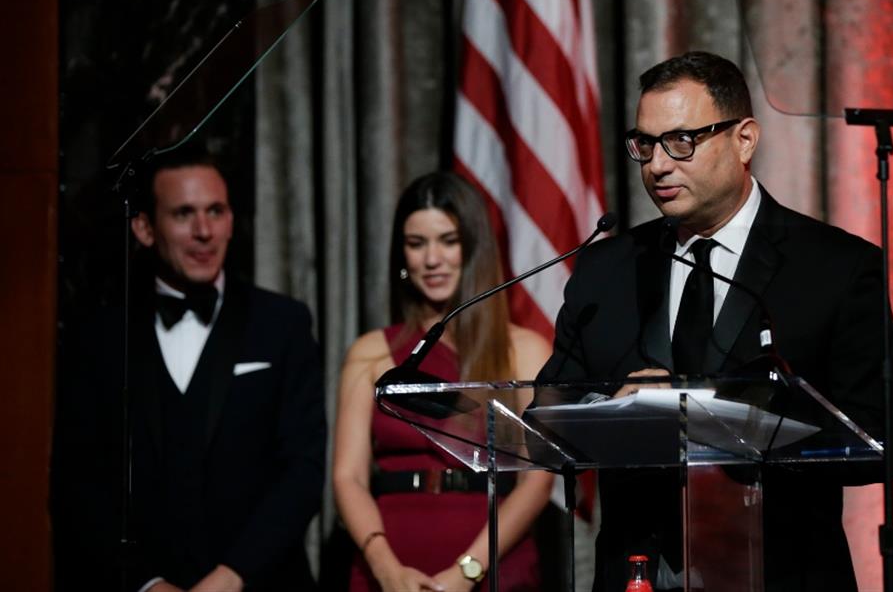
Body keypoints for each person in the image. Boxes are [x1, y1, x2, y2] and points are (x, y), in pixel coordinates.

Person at [536, 51, 893, 592]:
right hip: (637, 575)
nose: (658, 165)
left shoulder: (836, 267)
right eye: (645, 144)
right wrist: (617, 411)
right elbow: (545, 416)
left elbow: (890, 439)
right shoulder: (606, 269)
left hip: (781, 572)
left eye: (681, 141)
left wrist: (720, 421)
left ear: (744, 140)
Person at [50, 145, 326, 592]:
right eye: (184, 214)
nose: (204, 231)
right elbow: (78, 482)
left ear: (232, 220)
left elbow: (303, 471)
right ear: (144, 228)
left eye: (216, 211)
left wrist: (230, 577)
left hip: (263, 584)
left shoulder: (283, 323)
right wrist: (148, 583)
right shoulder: (100, 336)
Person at [333, 172, 553, 592]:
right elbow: (349, 477)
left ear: (474, 248)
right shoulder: (369, 353)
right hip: (387, 568)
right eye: (417, 244)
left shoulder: (524, 351)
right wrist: (386, 570)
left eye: (448, 241)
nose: (432, 259)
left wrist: (468, 571)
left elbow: (537, 481)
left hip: (494, 567)